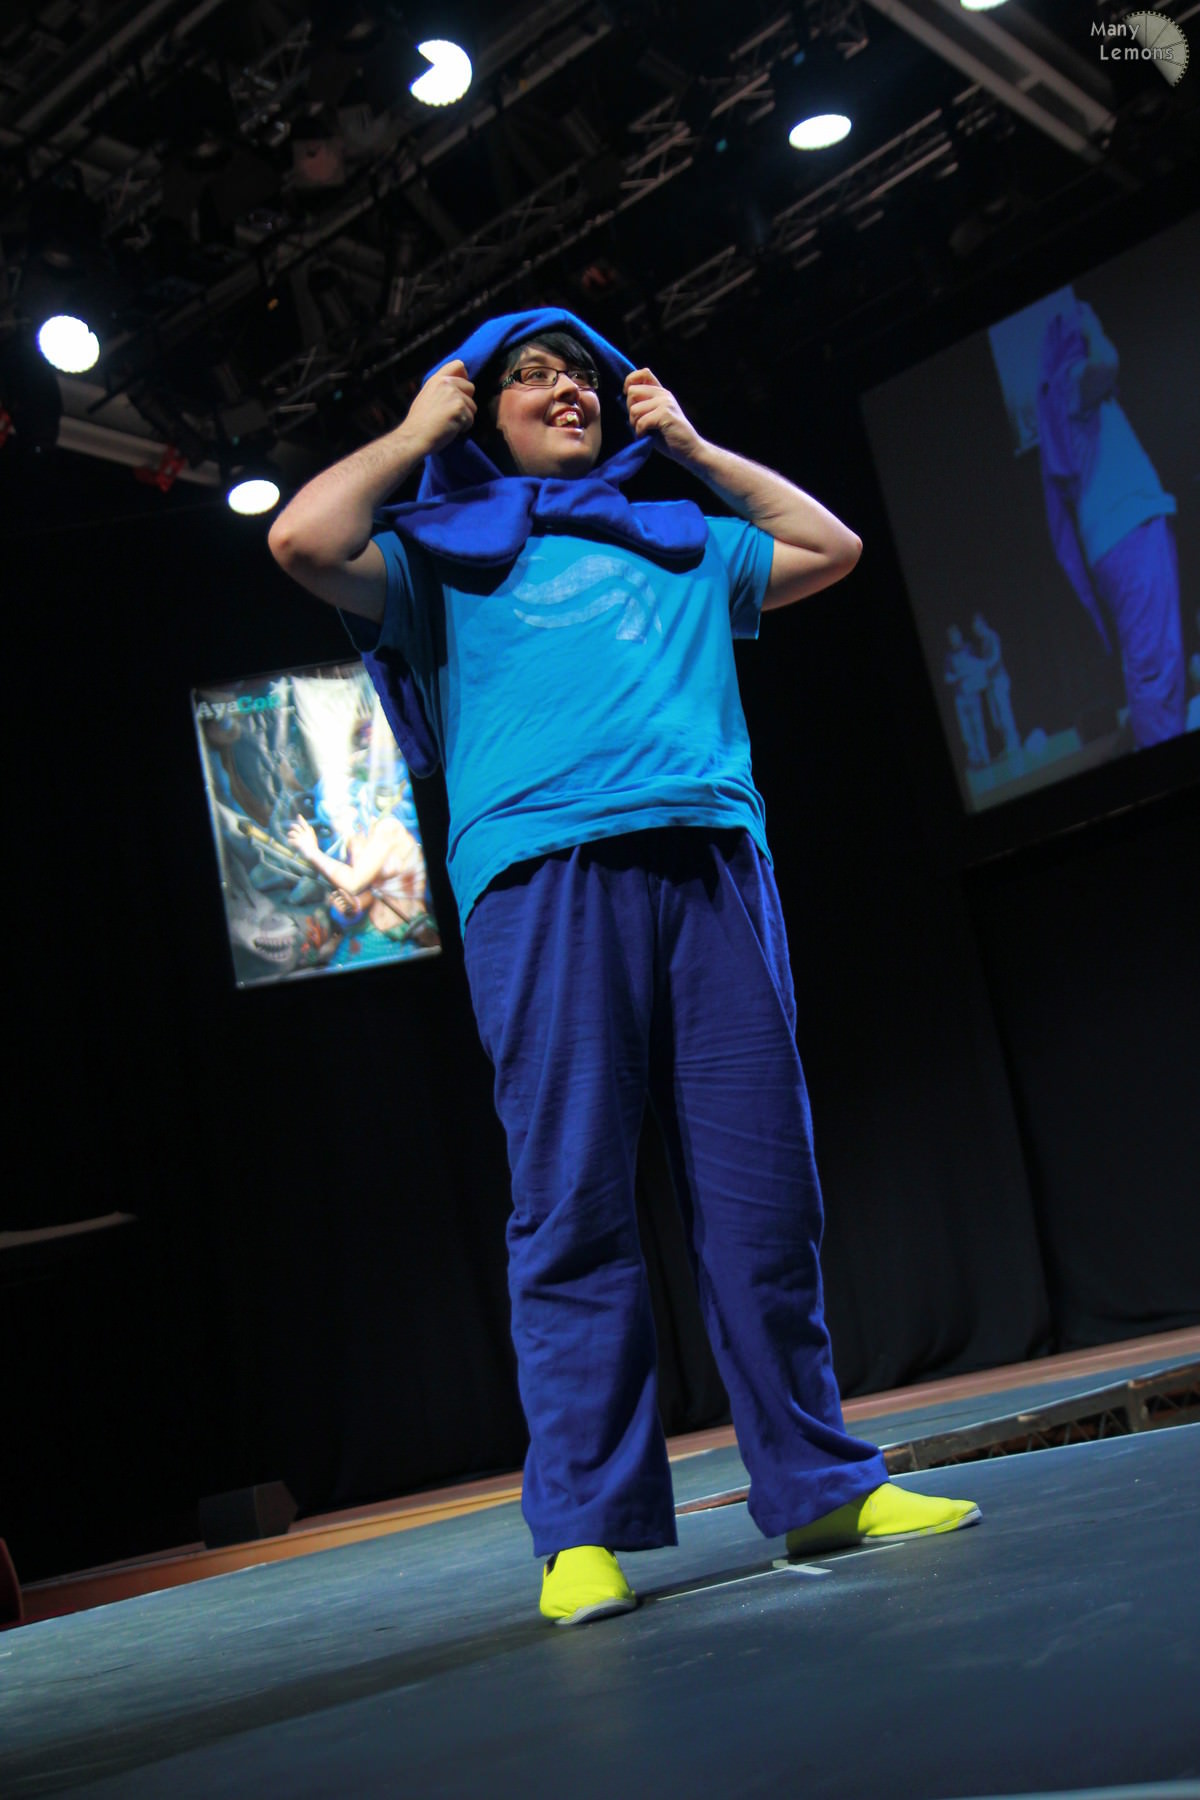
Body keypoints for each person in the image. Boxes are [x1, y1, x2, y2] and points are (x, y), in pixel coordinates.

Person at [268, 307, 980, 1626]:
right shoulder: (437, 554)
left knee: (765, 1198)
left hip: (710, 861)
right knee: (573, 1204)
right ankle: (584, 1530)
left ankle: (820, 1485)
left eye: (582, 376)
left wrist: (695, 448)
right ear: (482, 413)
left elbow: (831, 547)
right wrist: (417, 432)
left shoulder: (679, 538)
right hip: (543, 879)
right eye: (531, 377)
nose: (567, 392)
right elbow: (302, 540)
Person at [1036, 299, 1185, 749]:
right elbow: (1107, 361)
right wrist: (1093, 325)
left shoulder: (1073, 390)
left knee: (1159, 659)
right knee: (1154, 668)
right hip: (1127, 533)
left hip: (1127, 531)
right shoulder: (1071, 380)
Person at [972, 613, 1021, 759]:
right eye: (975, 629)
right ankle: (1008, 743)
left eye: (978, 628)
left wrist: (983, 666)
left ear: (983, 624)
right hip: (991, 684)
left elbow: (995, 657)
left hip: (999, 680)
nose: (976, 631)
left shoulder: (992, 636)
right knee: (997, 718)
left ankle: (1013, 743)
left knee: (1004, 713)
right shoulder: (983, 642)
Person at [943, 625, 991, 768]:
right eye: (952, 638)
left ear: (960, 636)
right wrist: (957, 676)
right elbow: (947, 677)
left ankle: (985, 757)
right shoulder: (949, 656)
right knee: (967, 732)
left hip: (973, 694)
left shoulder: (968, 648)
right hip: (960, 697)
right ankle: (975, 759)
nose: (954, 639)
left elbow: (979, 666)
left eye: (956, 636)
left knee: (978, 726)